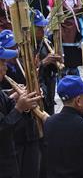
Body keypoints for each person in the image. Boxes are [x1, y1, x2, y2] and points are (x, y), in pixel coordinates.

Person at [0, 44, 42, 178]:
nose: (5, 67)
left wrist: (23, 98)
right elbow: (2, 129)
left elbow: (7, 105)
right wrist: (19, 108)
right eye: (2, 63)